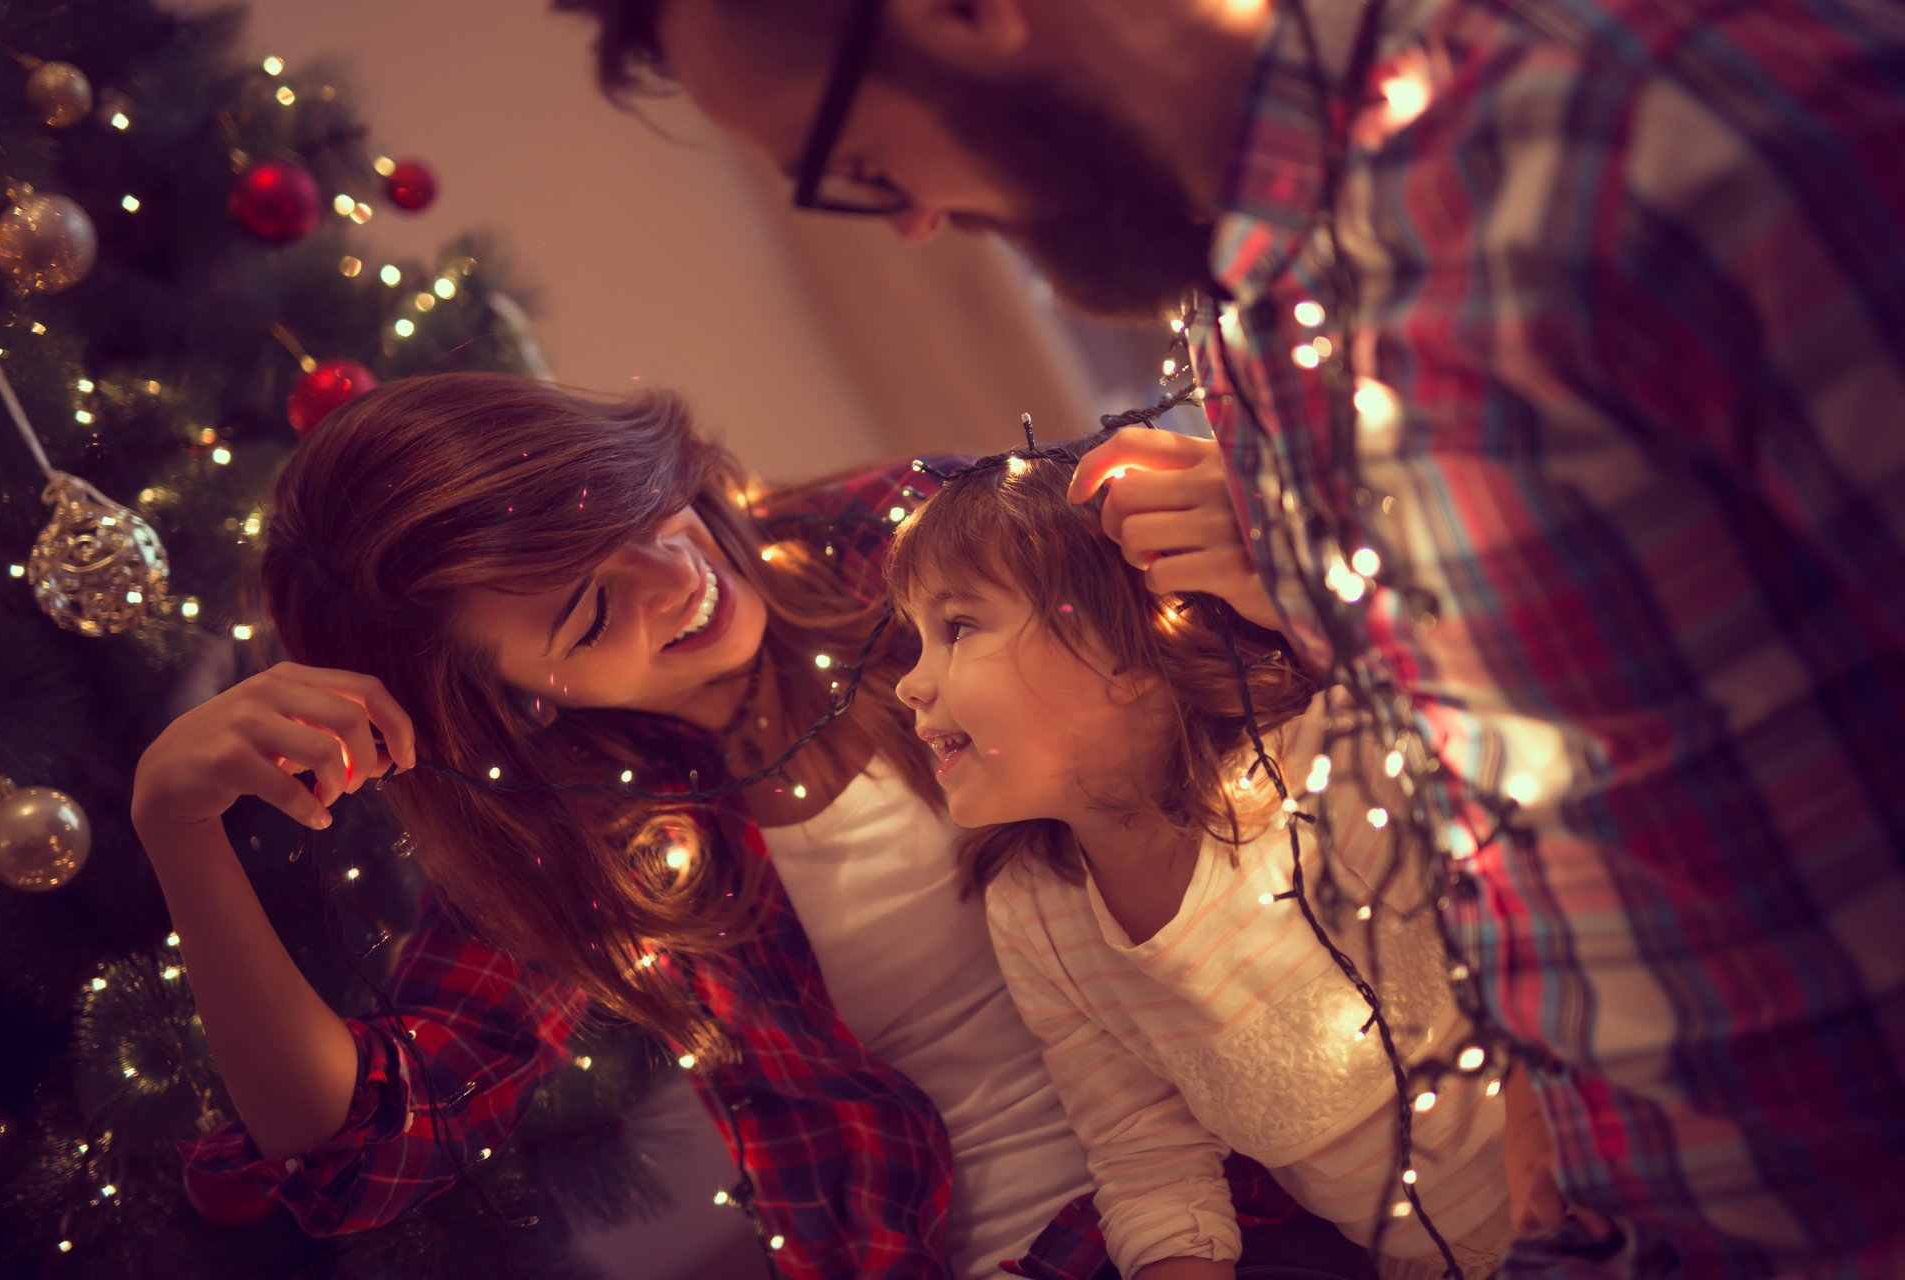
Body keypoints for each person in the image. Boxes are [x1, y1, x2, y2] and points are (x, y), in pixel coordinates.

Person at [549, 1, 1905, 1273]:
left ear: (969, 12)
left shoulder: (1651, 144)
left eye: (858, 163)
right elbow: (1513, 779)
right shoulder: (1255, 324)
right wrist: (1555, 1084)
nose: (909, 227)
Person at [131, 371, 1350, 1280]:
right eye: (591, 608)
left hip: (1297, 1143)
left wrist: (1260, 541)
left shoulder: (916, 539)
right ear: (511, 697)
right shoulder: (581, 828)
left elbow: (1307, 698)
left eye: (629, 504)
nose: (676, 570)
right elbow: (359, 1148)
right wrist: (177, 829)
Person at [887, 432, 1539, 1280]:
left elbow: (1536, 897)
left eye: (958, 627)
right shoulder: (1040, 912)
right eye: (916, 637)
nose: (911, 681)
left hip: (1600, 1178)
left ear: (1129, 652)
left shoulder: (1326, 764)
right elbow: (1146, 1159)